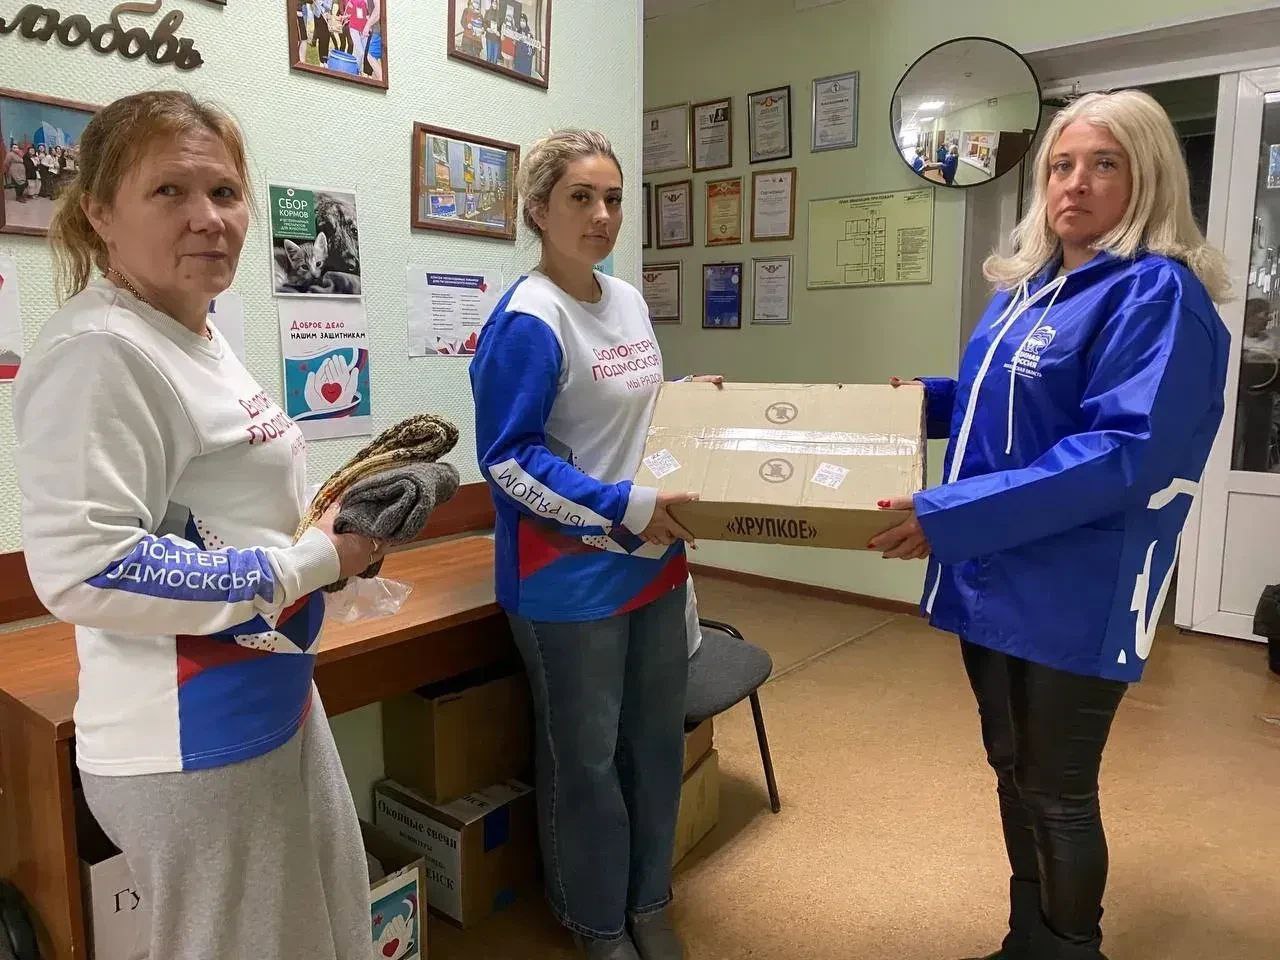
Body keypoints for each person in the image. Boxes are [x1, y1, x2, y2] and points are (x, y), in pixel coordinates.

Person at [13, 90, 382, 960]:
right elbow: (86, 568)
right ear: (100, 213)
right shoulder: (100, 352)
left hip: (269, 692)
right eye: (169, 191)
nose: (208, 218)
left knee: (332, 936)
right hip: (190, 736)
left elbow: (220, 514)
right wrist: (312, 564)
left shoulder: (192, 333)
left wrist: (339, 527)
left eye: (223, 192)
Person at [871, 90, 1232, 960]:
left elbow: (1121, 453)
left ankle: (1071, 948)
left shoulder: (1157, 293)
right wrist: (903, 405)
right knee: (1012, 770)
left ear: (1148, 178)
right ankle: (1025, 939)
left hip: (1077, 581)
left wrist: (948, 513)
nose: (1076, 183)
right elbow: (996, 400)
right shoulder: (1029, 289)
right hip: (993, 570)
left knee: (1059, 790)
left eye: (1104, 164)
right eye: (1062, 166)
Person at [470, 129, 720, 960]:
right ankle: (599, 924)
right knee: (585, 762)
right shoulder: (528, 320)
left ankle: (649, 901)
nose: (603, 215)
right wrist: (623, 508)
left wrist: (686, 401)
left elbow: (626, 413)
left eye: (612, 198)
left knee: (654, 746)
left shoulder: (627, 300)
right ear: (538, 211)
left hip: (653, 563)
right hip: (569, 580)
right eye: (581, 197)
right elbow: (510, 460)